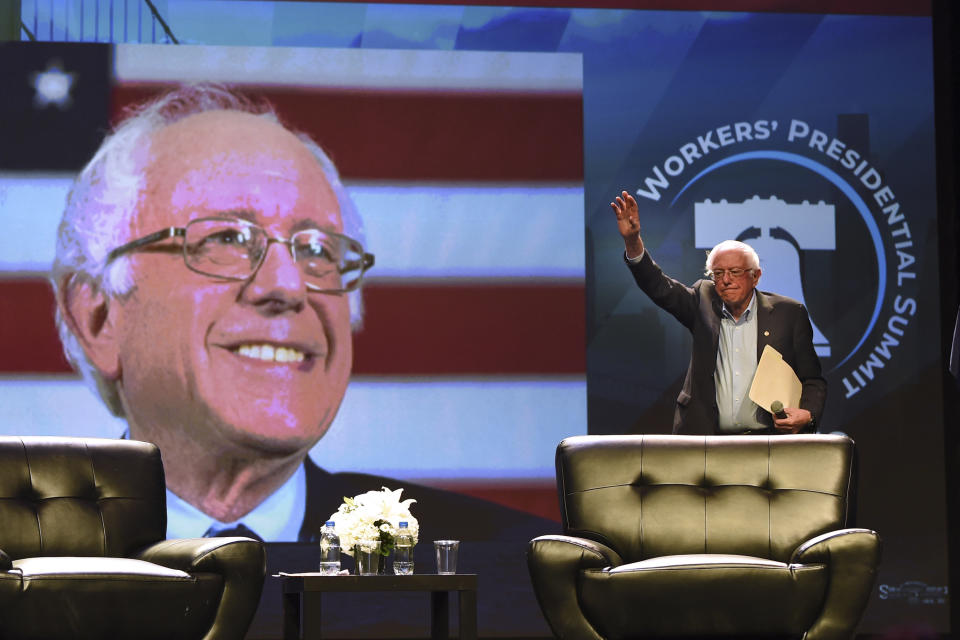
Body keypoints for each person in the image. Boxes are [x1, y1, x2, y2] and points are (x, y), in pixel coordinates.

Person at [50, 85, 556, 627]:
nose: (289, 286)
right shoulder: (30, 564)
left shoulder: (517, 572)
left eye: (317, 250)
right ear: (99, 316)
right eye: (225, 237)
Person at [610, 190, 826, 435]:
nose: (725, 280)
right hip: (706, 442)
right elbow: (659, 286)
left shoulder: (790, 314)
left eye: (735, 272)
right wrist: (633, 241)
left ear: (755, 276)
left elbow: (813, 380)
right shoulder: (702, 299)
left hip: (769, 443)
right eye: (718, 273)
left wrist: (808, 414)